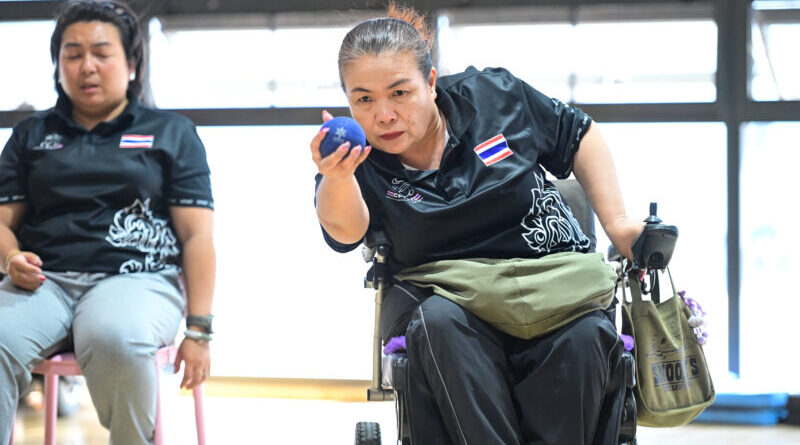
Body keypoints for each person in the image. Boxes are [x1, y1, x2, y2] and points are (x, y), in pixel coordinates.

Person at [310, 4, 644, 445]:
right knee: (439, 325)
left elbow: (578, 135)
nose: (383, 115)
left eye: (399, 92)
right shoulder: (356, 161)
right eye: (364, 100)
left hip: (551, 285)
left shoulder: (494, 96)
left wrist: (618, 223)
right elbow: (346, 232)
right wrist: (337, 177)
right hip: (446, 299)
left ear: (431, 83)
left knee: (588, 333)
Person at [0, 1, 216, 443]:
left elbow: (197, 235)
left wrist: (199, 329)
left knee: (115, 335)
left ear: (132, 64)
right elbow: (3, 222)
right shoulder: (30, 136)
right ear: (58, 65)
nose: (87, 66)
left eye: (102, 53)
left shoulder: (172, 133)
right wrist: (10, 257)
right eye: (73, 54)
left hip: (138, 280)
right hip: (45, 282)